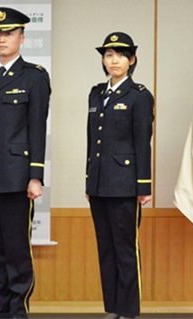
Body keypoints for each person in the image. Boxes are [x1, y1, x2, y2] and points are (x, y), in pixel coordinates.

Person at [0, 8, 51, 319]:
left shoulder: (34, 76)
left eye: (8, 33)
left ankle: (18, 306)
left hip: (17, 176)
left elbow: (37, 128)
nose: (1, 39)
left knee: (17, 246)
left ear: (22, 37)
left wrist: (35, 175)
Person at [86, 32, 153, 319]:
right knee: (106, 249)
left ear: (132, 60)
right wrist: (89, 178)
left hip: (125, 184)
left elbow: (143, 142)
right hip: (99, 184)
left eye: (121, 56)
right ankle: (112, 307)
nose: (114, 61)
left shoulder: (139, 95)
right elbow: (92, 140)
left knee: (126, 249)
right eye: (109, 55)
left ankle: (129, 310)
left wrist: (143, 185)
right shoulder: (96, 93)